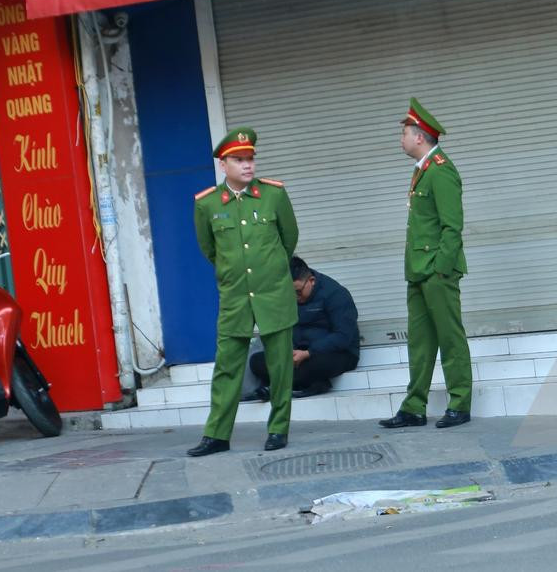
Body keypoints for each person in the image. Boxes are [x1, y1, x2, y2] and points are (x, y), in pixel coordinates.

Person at [187, 127, 299, 456]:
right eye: (239, 160)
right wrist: (233, 272)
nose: (247, 166)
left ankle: (278, 429)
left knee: (280, 365)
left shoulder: (274, 195)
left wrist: (272, 269)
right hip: (235, 296)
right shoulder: (207, 204)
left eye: (250, 159)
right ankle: (217, 435)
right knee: (227, 365)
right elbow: (209, 250)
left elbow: (289, 238)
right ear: (224, 165)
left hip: (273, 292)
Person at [379, 98, 473, 430]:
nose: (401, 139)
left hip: (436, 270)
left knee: (450, 338)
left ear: (420, 137)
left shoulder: (442, 171)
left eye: (404, 133)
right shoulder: (421, 171)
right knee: (419, 342)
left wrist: (441, 267)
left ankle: (460, 403)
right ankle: (414, 407)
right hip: (418, 269)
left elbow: (452, 226)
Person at [243, 256, 360, 401]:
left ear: (311, 281)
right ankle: (315, 383)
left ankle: (277, 388)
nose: (295, 297)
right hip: (298, 353)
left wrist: (309, 353)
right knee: (257, 361)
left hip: (334, 353)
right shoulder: (288, 296)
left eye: (298, 292)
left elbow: (343, 337)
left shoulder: (336, 294)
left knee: (314, 365)